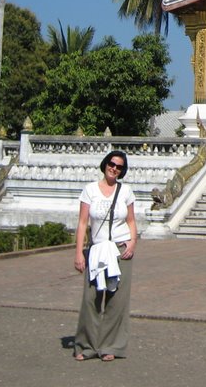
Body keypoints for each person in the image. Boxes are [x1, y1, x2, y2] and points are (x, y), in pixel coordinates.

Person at [73, 150, 137, 361]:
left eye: (119, 167)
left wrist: (133, 242)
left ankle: (111, 346)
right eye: (112, 164)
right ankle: (86, 345)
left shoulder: (126, 191)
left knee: (116, 299)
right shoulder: (90, 190)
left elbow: (131, 221)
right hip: (97, 249)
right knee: (91, 298)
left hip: (119, 249)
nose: (114, 169)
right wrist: (79, 253)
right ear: (105, 164)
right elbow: (82, 223)